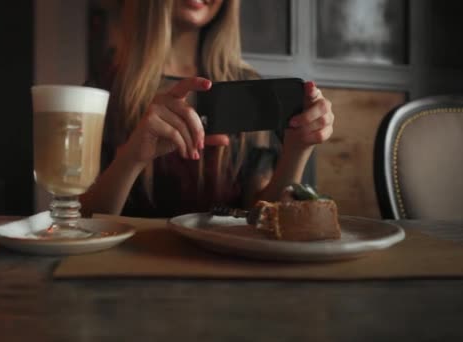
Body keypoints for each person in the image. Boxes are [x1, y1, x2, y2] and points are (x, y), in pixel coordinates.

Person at [81, 0, 334, 218]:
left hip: (226, 269)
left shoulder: (249, 89)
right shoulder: (103, 92)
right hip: (130, 267)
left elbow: (263, 217)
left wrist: (297, 149)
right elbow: (83, 221)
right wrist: (132, 158)